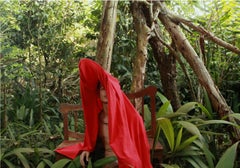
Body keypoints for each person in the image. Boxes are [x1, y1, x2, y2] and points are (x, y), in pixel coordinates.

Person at [55, 58, 152, 168]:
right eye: (102, 89)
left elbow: (138, 149)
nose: (106, 92)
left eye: (108, 89)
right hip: (102, 162)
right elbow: (90, 138)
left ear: (114, 92)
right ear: (98, 93)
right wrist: (87, 149)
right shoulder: (97, 118)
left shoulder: (131, 118)